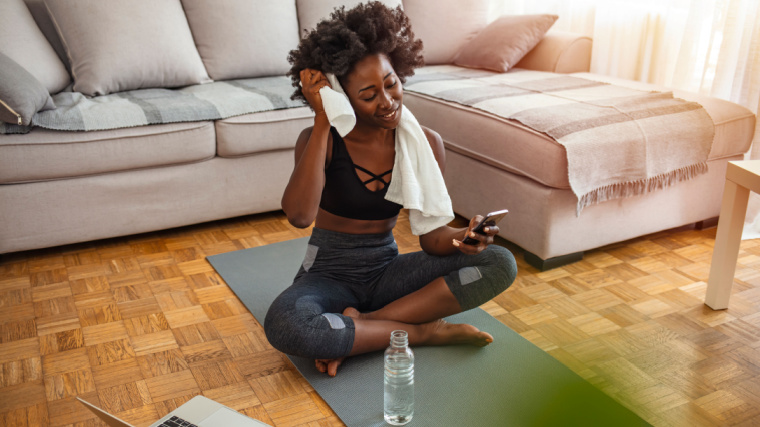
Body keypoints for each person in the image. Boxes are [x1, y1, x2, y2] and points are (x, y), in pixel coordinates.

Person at [264, 1, 517, 377]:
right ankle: (420, 333)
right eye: (368, 96)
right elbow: (300, 216)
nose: (387, 102)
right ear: (342, 97)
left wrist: (463, 237)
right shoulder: (323, 140)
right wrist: (321, 117)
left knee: (500, 263)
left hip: (386, 272)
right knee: (286, 324)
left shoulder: (424, 142)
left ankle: (366, 324)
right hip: (328, 275)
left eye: (391, 83)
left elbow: (431, 239)